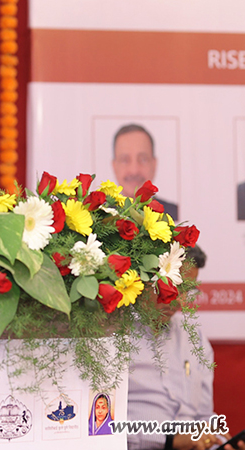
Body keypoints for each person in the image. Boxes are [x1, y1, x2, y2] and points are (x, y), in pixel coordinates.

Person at [127, 246, 245, 450]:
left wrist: (220, 442)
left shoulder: (194, 338)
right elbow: (98, 423)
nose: (177, 300)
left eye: (186, 290)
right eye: (171, 286)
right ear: (144, 279)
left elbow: (203, 418)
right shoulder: (112, 336)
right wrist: (168, 440)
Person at [112, 124, 179, 220]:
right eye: (125, 160)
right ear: (114, 166)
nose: (134, 170)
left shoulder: (178, 214)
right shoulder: (99, 218)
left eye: (143, 159)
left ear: (154, 164)